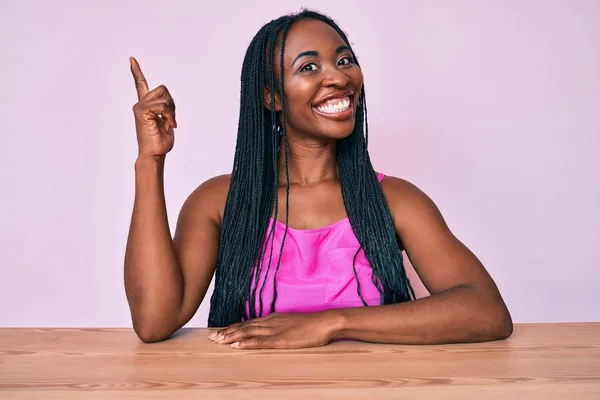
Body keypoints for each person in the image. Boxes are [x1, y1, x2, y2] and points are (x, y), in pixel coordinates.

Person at [124, 9, 513, 349]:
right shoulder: (219, 201)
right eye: (309, 67)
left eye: (344, 61)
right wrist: (150, 160)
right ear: (272, 97)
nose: (338, 78)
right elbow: (155, 322)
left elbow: (486, 311)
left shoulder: (395, 199)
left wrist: (328, 323)